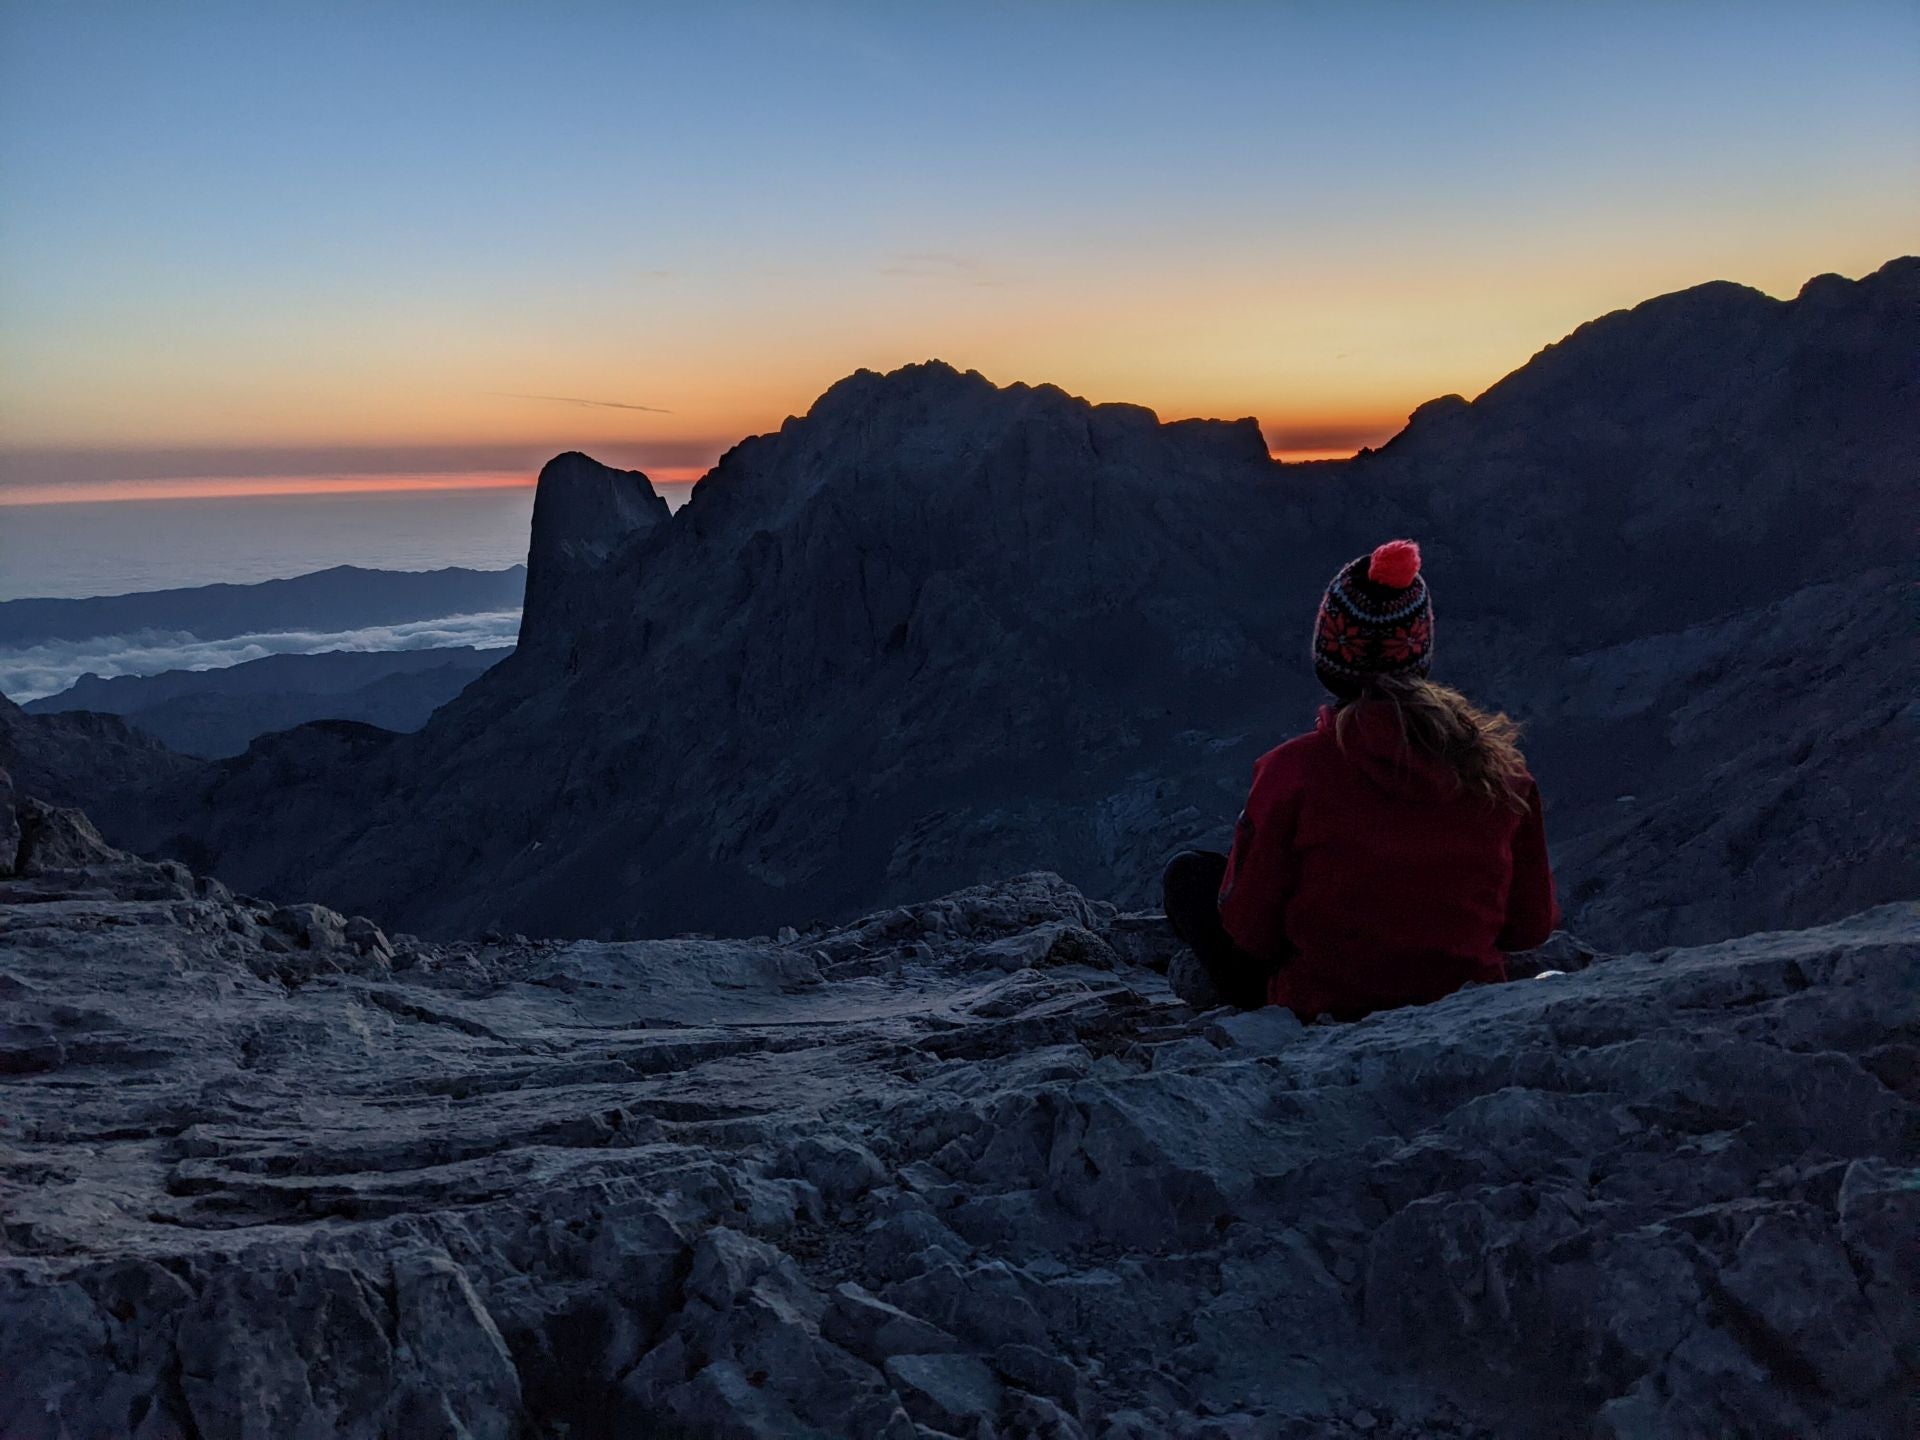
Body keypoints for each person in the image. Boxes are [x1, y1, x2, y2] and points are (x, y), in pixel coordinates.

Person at [1163, 538, 1558, 1021]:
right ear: (1419, 655)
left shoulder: (1293, 770)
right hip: (1463, 999)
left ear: (1331, 658)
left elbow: (1250, 930)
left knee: (1189, 876)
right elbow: (1529, 928)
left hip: (1320, 1004)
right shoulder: (1504, 776)